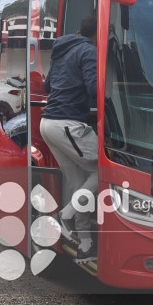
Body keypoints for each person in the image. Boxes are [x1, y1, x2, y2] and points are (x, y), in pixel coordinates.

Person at [39, 15, 99, 261]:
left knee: (80, 183)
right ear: (99, 33)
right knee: (105, 170)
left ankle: (85, 243)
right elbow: (96, 88)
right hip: (68, 124)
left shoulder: (62, 49)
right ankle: (63, 215)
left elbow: (47, 87)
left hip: (48, 123)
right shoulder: (88, 51)